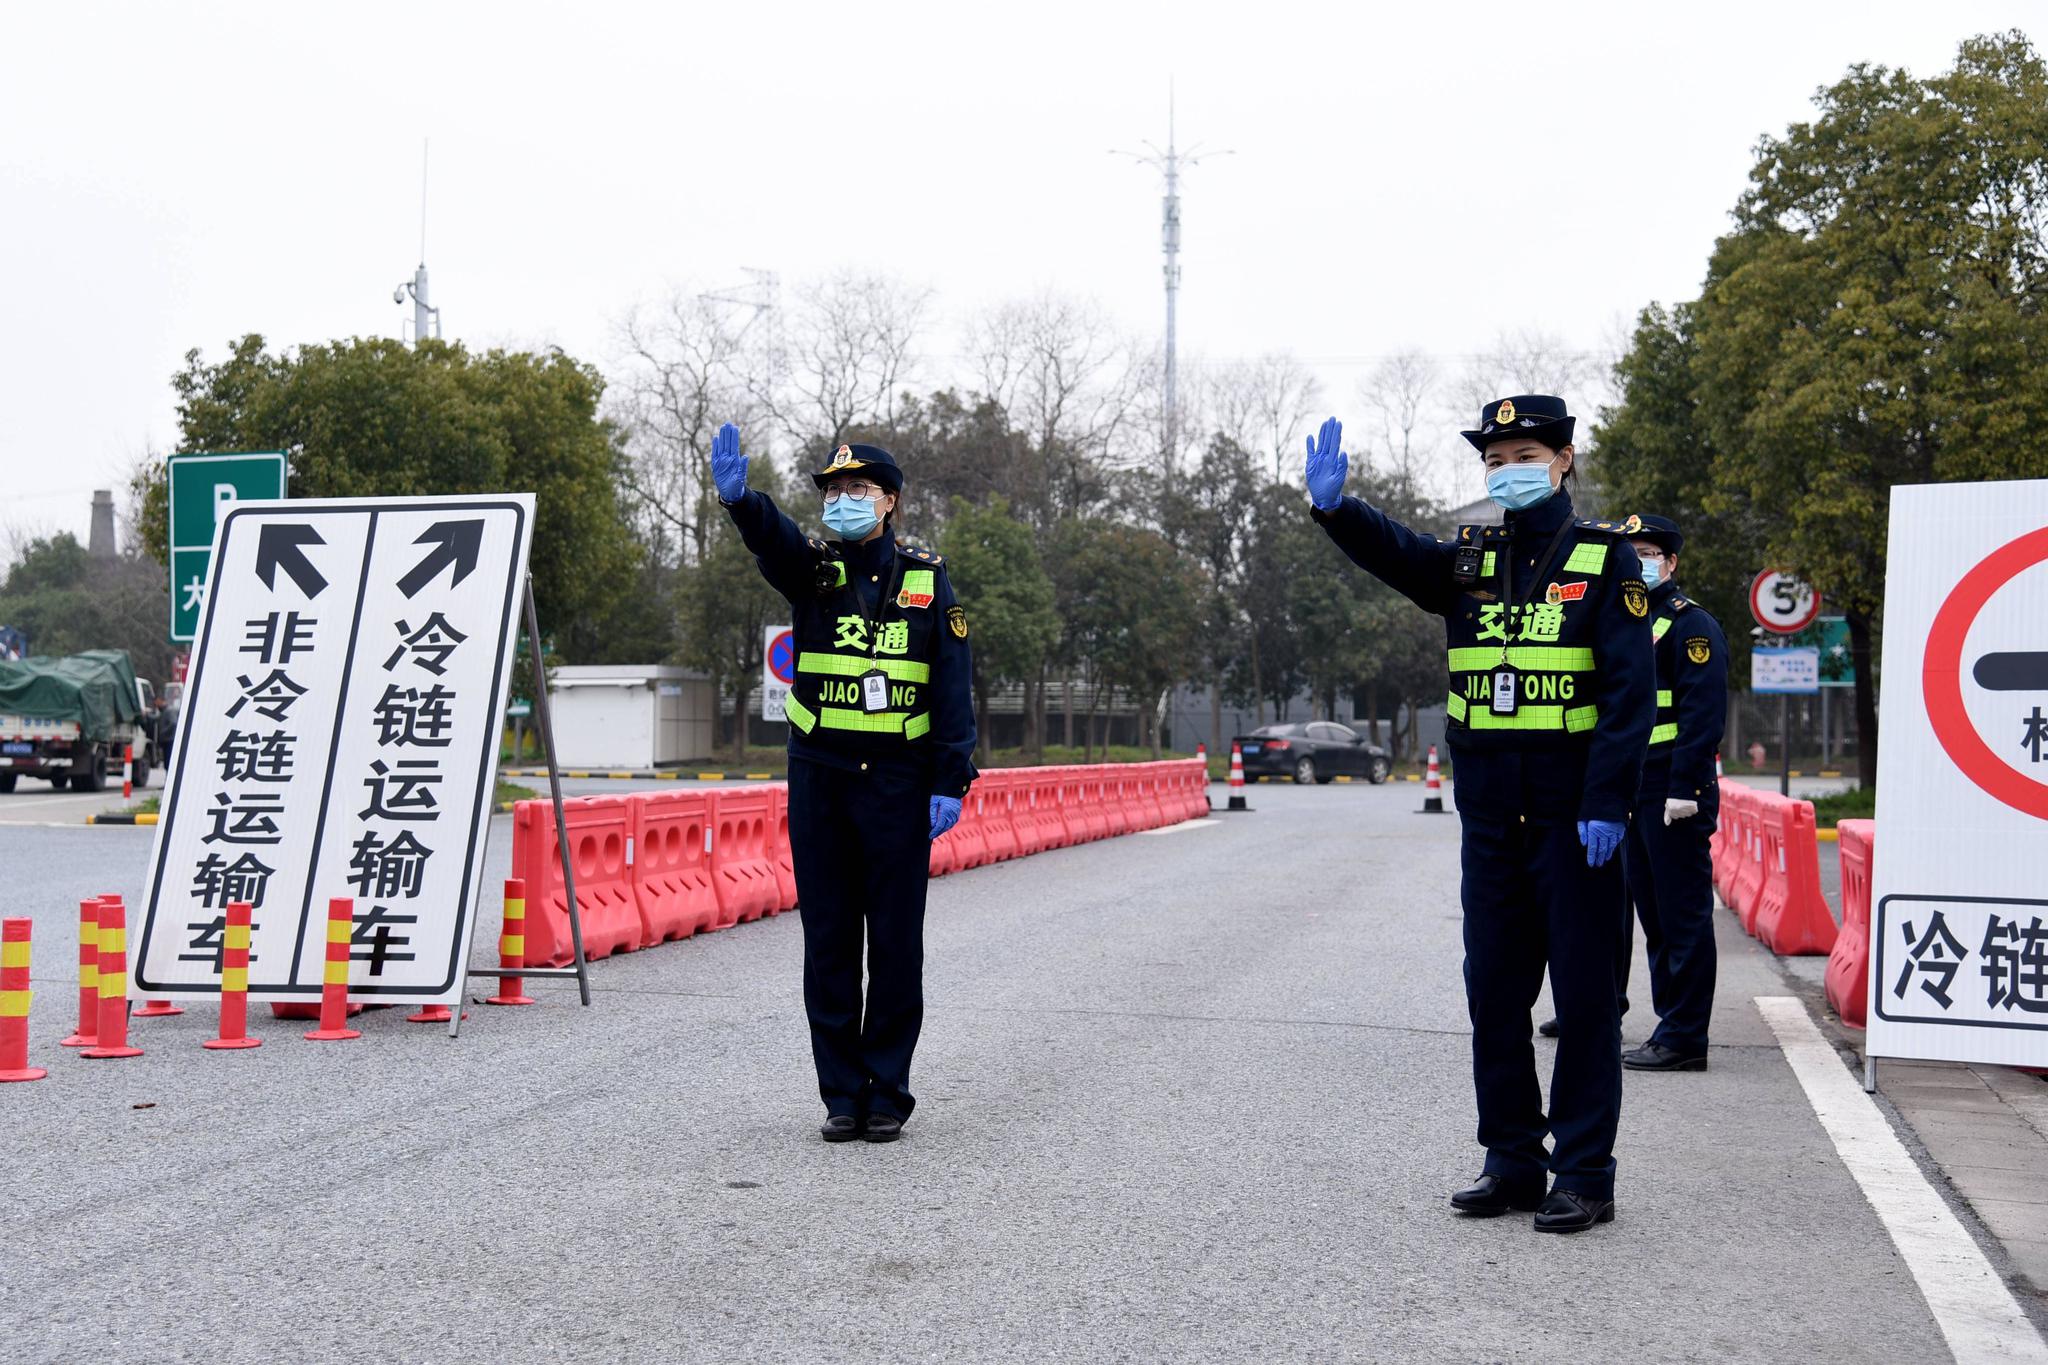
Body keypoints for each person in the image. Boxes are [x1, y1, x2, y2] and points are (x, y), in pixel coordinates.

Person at [1306, 395, 1654, 1233]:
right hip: (1493, 822)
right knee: (1494, 995)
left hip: (1577, 826)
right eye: (1494, 460)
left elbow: (1628, 697)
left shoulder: (1607, 564)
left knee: (1580, 999)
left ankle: (1584, 1172)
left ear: (1564, 460)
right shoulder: (1470, 560)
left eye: (1524, 454)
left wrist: (1607, 801)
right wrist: (1335, 510)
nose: (1508, 471)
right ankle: (1511, 1159)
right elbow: (1398, 554)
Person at [714, 423, 976, 1144]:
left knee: (894, 944)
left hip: (898, 781)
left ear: (889, 501)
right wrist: (744, 504)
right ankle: (839, 1094)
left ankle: (886, 1090)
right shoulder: (815, 567)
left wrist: (951, 777)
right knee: (829, 941)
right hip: (823, 780)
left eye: (857, 489)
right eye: (833, 490)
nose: (842, 500)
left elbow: (952, 684)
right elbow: (776, 543)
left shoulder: (927, 575)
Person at [1613, 514, 1728, 1071]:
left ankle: (1685, 1037)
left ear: (1672, 562)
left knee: (1681, 916)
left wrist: (1685, 787)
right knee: (1654, 914)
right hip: (1635, 787)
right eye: (1630, 550)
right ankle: (1669, 1024)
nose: (1640, 560)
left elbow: (1702, 718)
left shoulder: (1691, 625)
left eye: (1649, 551)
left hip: (1673, 790)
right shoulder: (1627, 618)